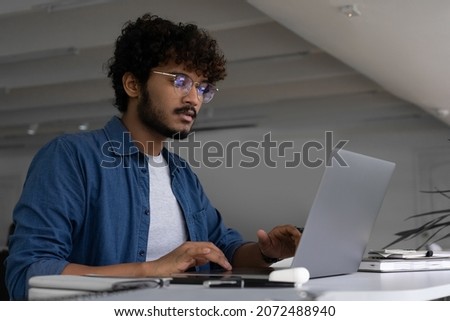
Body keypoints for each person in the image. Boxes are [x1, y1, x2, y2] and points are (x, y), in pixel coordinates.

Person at [5, 13, 301, 300]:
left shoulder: (181, 174)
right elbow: (29, 274)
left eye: (202, 87)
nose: (194, 99)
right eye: (180, 81)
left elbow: (223, 247)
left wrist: (267, 252)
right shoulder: (70, 157)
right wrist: (150, 271)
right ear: (133, 84)